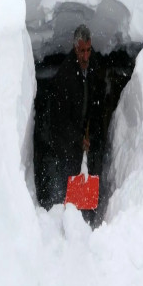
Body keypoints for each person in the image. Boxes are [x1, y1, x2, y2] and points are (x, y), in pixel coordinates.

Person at [47, 24, 106, 221]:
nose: (86, 56)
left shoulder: (94, 66)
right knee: (70, 175)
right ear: (75, 48)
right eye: (82, 51)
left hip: (84, 133)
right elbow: (59, 120)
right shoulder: (65, 76)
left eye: (88, 50)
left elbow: (97, 99)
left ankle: (88, 216)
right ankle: (67, 216)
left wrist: (93, 131)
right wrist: (78, 138)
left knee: (89, 171)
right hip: (66, 138)